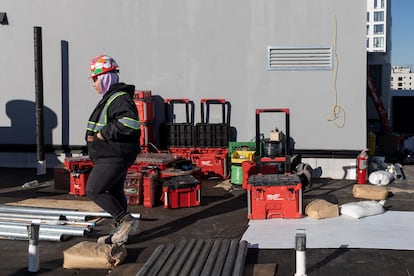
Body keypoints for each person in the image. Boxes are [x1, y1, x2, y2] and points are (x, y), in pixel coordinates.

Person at [85, 54, 140, 245]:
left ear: (103, 77)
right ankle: (120, 234)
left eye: (94, 79)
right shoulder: (111, 97)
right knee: (114, 191)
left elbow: (130, 123)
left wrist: (103, 134)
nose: (92, 84)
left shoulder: (119, 98)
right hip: (110, 154)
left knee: (94, 189)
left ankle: (126, 221)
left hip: (114, 155)